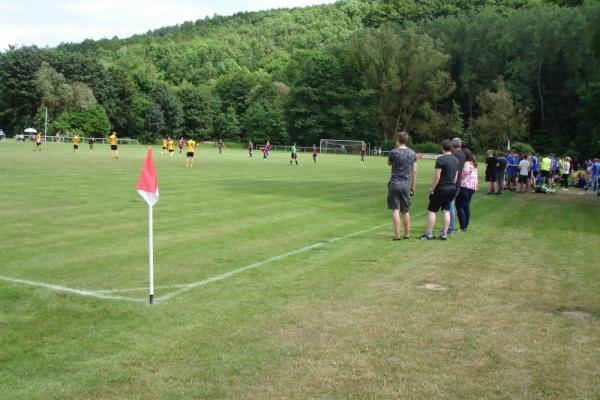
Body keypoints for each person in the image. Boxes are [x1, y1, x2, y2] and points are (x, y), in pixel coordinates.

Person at [419, 139, 459, 241]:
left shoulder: (440, 159)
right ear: (451, 148)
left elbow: (437, 176)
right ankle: (444, 234)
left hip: (441, 188)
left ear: (442, 148)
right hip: (452, 188)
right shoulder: (456, 160)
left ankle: (429, 234)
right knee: (446, 210)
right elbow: (456, 176)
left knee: (432, 210)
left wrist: (432, 189)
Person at [387, 132, 417, 240]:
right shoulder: (412, 153)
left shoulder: (393, 152)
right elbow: (414, 171)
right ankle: (407, 234)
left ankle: (397, 235)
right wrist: (413, 187)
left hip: (394, 183)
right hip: (406, 184)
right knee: (405, 210)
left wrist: (395, 150)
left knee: (395, 209)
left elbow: (389, 163)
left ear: (398, 139)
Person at [455, 148, 478, 232]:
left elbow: (464, 175)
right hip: (472, 187)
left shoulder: (466, 163)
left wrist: (457, 174)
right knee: (466, 206)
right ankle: (465, 226)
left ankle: (462, 227)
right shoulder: (473, 163)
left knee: (459, 206)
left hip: (464, 187)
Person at [447, 137, 466, 235]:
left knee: (450, 206)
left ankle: (450, 228)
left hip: (452, 182)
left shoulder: (454, 155)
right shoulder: (462, 154)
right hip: (458, 182)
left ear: (453, 145)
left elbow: (453, 170)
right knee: (451, 206)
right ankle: (450, 227)